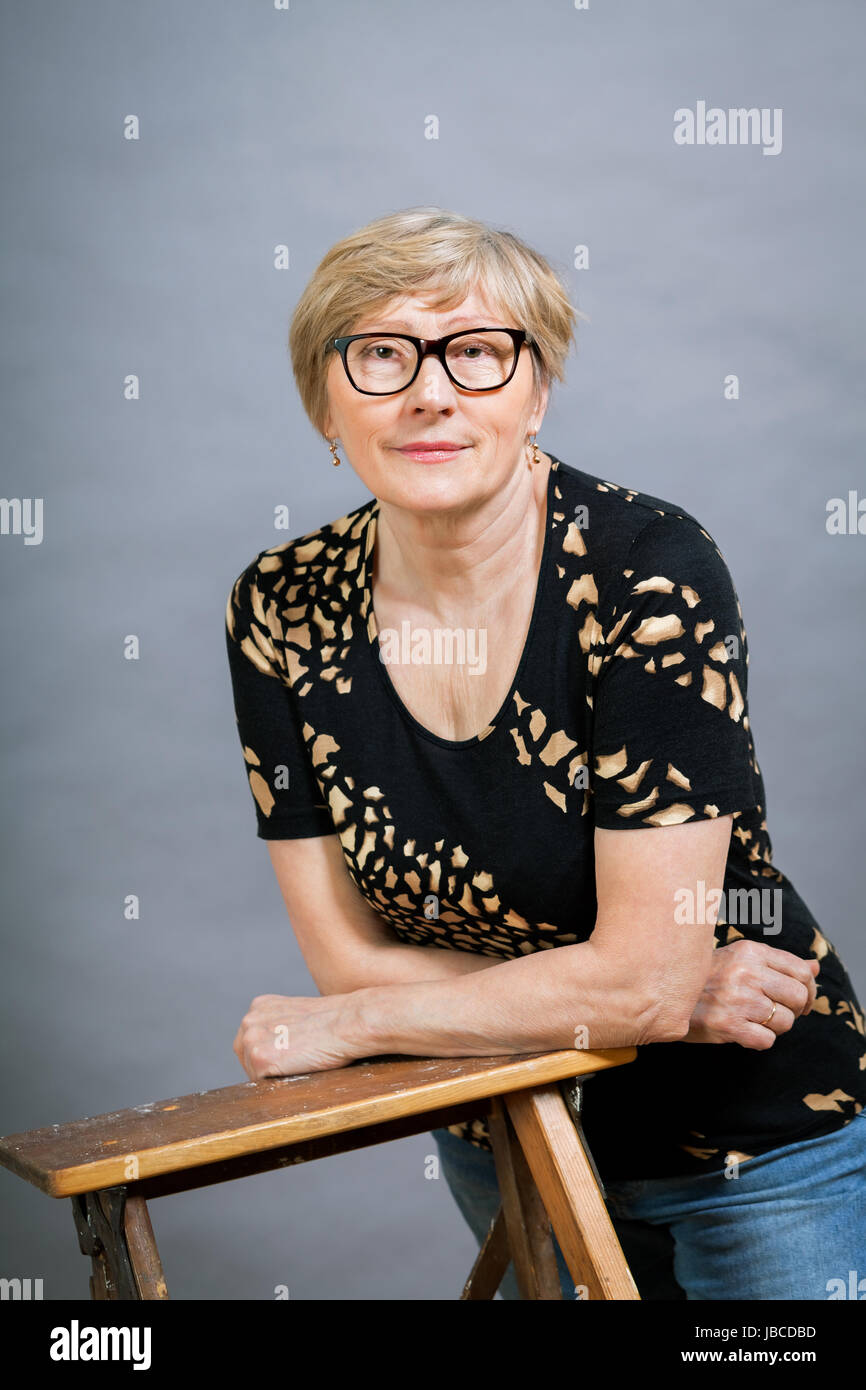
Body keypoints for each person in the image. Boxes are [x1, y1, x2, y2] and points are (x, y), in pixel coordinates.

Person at [226, 206, 866, 1300]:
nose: (431, 391)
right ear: (322, 400)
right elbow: (345, 956)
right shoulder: (281, 605)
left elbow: (351, 996)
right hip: (511, 1137)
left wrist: (355, 1025)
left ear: (536, 387)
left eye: (475, 353)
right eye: (380, 354)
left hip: (749, 1146)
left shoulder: (643, 571)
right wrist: (641, 990)